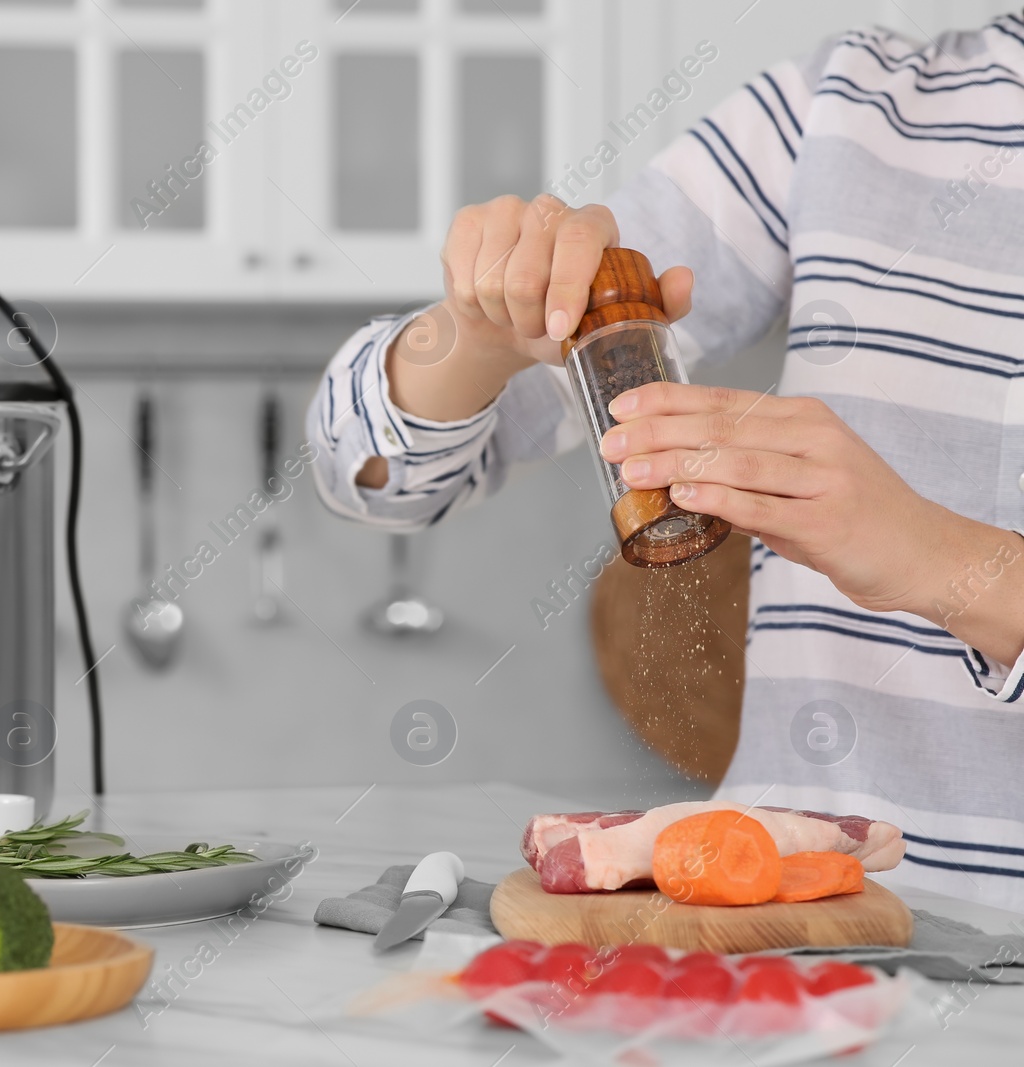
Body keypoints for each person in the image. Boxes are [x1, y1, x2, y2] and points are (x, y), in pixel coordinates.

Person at [307, 16, 1024, 910]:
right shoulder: (849, 104)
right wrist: (479, 336)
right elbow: (362, 468)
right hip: (781, 930)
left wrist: (947, 561)